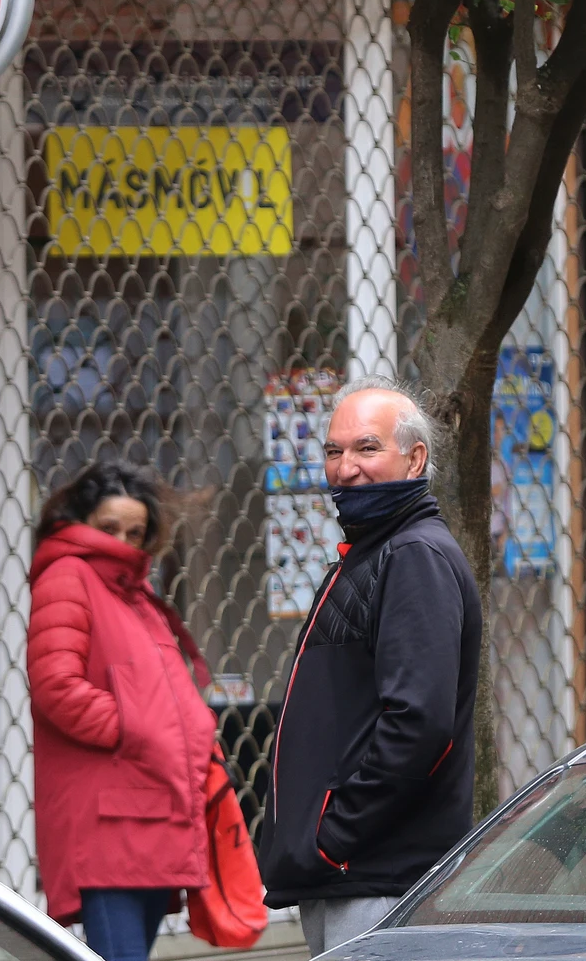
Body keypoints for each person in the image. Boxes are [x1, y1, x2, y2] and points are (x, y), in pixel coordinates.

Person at [258, 377, 483, 956]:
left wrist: (333, 836)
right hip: (353, 877)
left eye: (366, 448)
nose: (345, 468)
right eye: (334, 451)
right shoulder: (379, 551)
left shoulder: (412, 555)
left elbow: (419, 723)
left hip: (379, 882)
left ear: (415, 459)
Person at [27, 461, 216, 961]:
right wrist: (142, 730)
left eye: (135, 532)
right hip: (107, 819)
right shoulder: (68, 577)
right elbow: (56, 687)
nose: (123, 541)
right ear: (79, 522)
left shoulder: (134, 589)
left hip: (147, 807)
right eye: (109, 528)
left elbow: (161, 692)